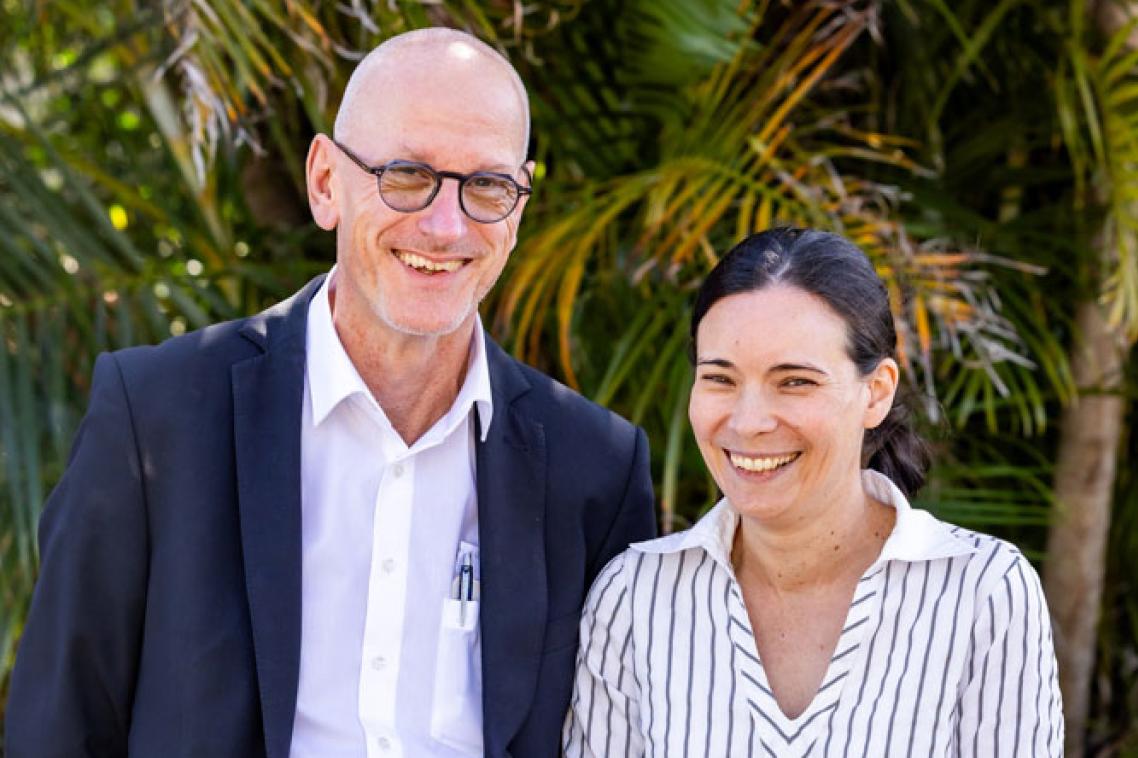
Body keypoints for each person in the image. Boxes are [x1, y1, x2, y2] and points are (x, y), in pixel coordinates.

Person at [7, 28, 656, 758]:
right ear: (325, 183)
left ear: (519, 208)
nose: (446, 227)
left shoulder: (594, 468)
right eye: (408, 174)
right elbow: (57, 729)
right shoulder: (156, 416)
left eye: (487, 187)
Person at [563, 227, 1063, 756]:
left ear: (876, 393)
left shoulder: (983, 591)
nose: (749, 421)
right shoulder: (636, 596)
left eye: (795, 381)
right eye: (720, 379)